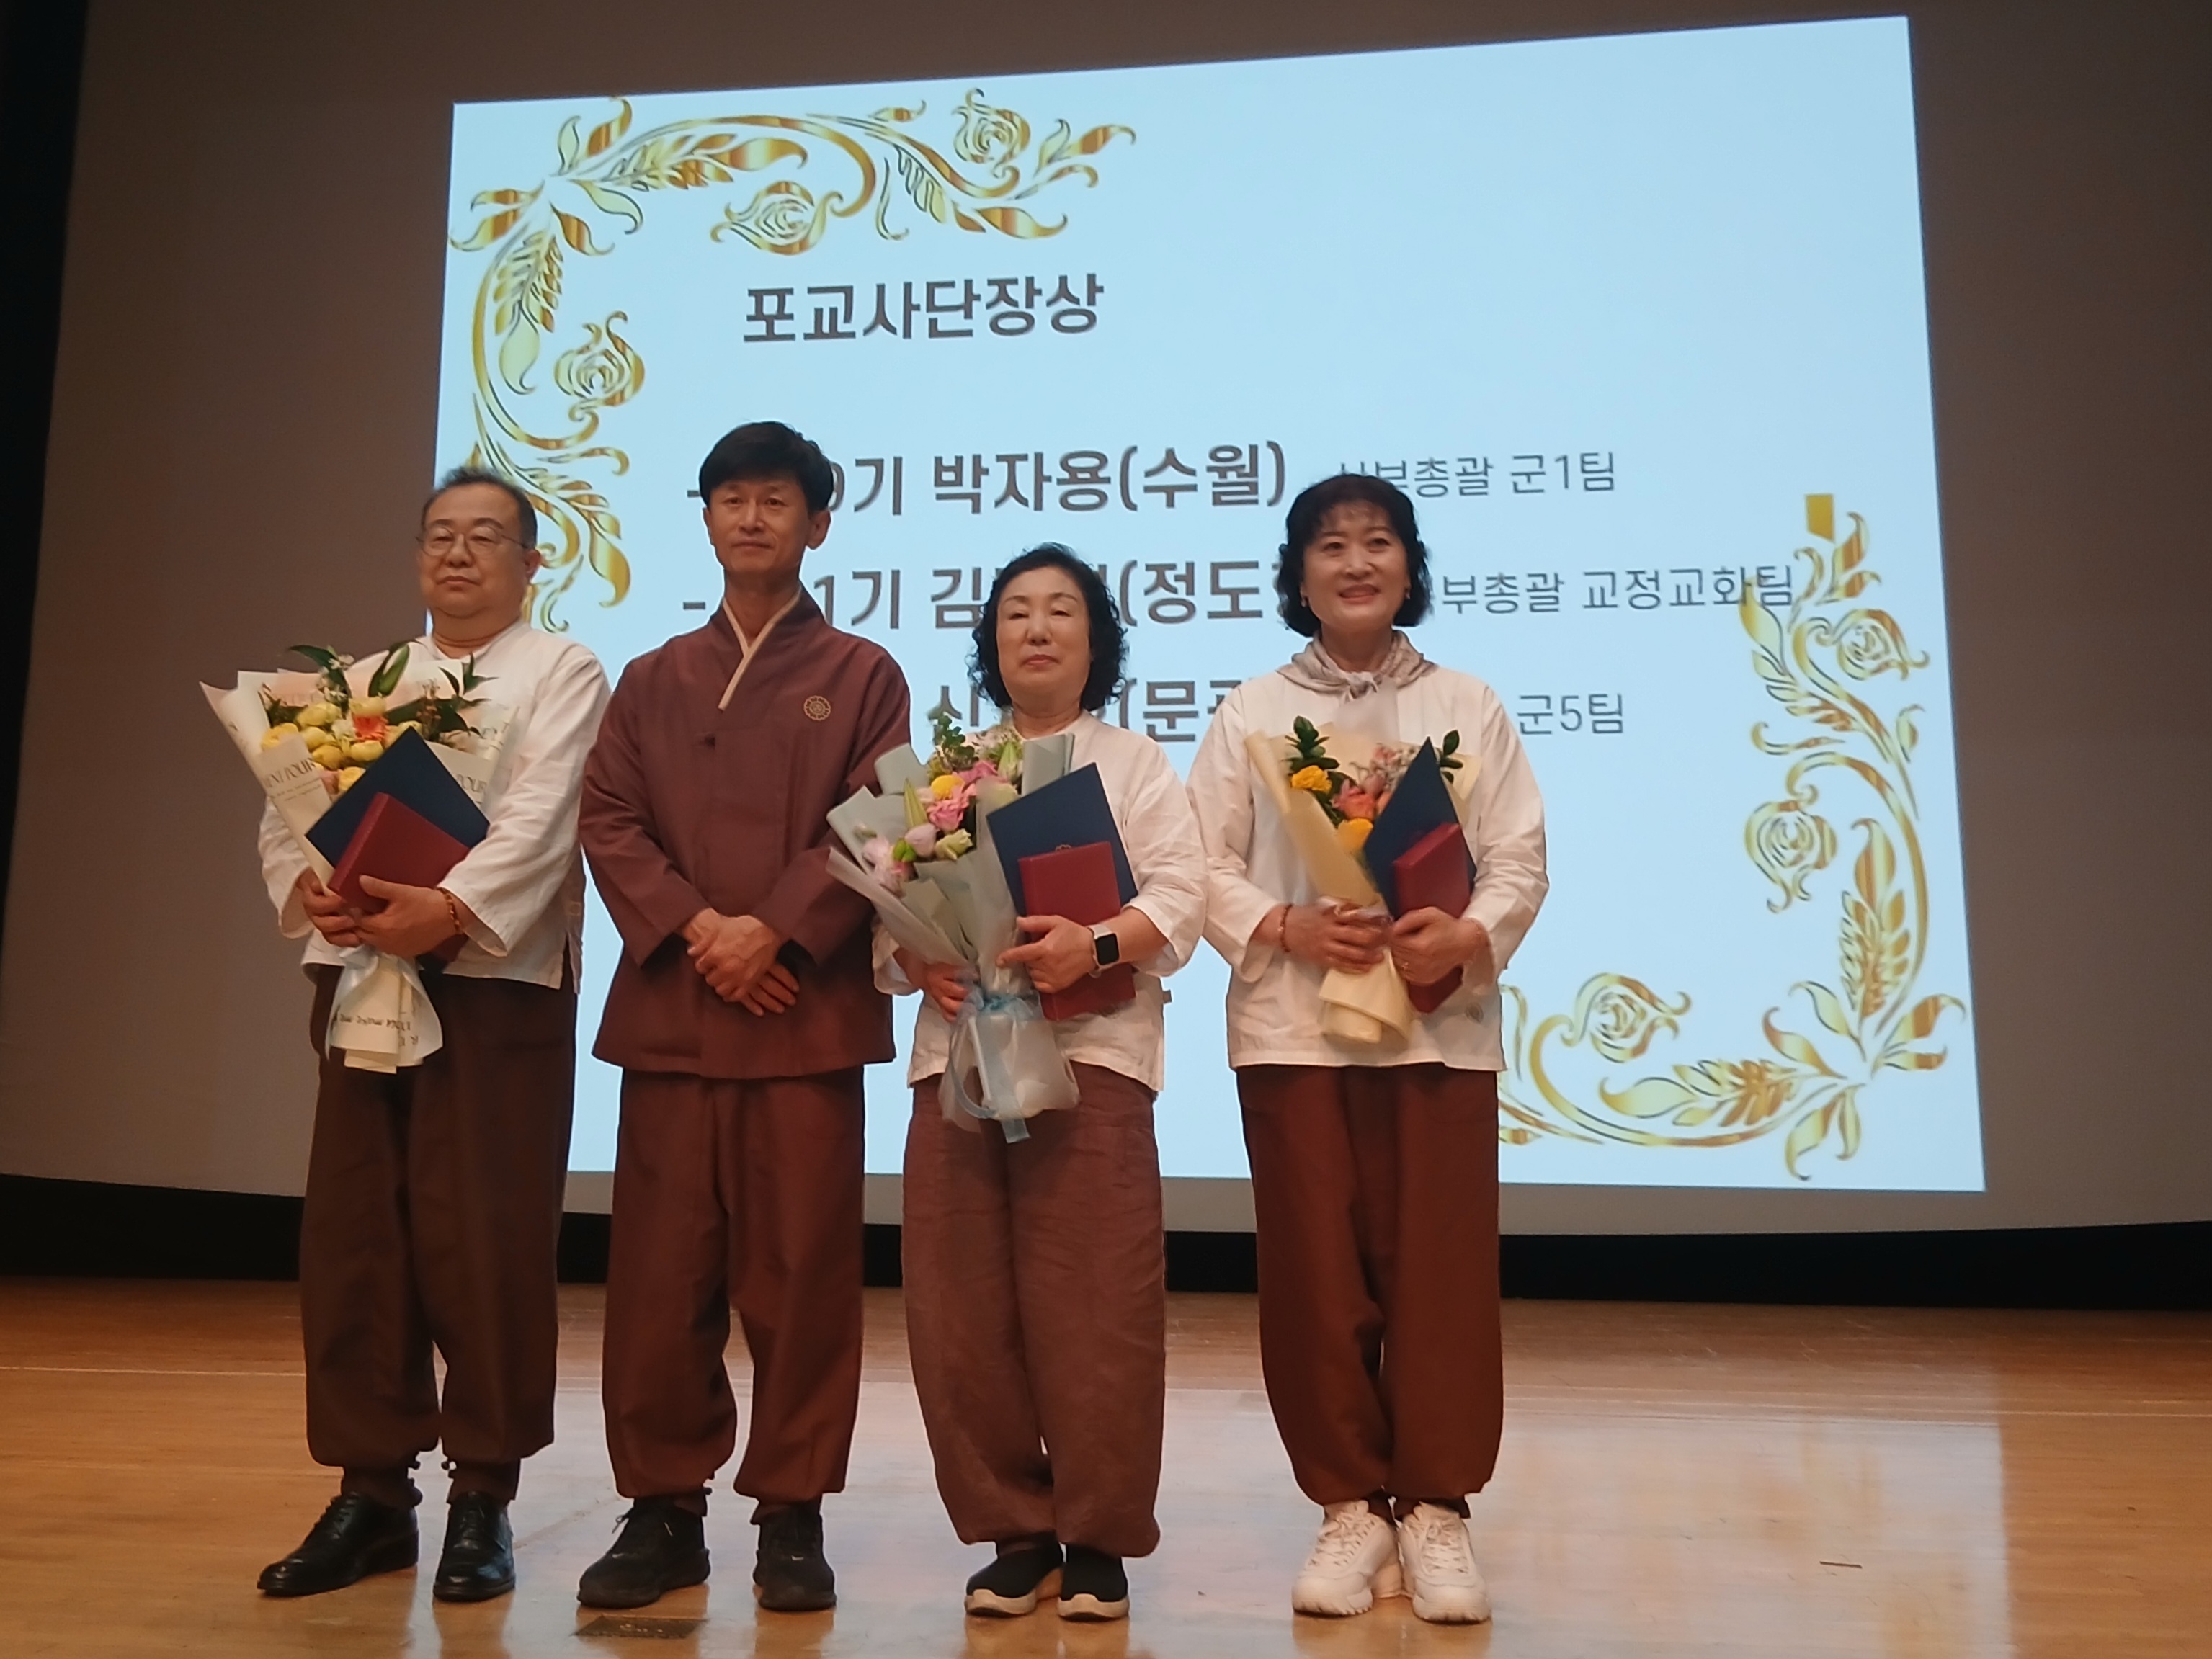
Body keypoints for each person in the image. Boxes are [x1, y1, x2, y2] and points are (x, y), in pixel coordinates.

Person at [1186, 473, 1548, 1624]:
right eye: (1330, 545)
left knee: (1441, 1275)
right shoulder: (1249, 712)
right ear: (1297, 576)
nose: (1355, 562)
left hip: (1437, 1027)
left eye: (1378, 542)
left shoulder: (1465, 703)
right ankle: (1348, 1505)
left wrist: (1471, 932)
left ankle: (1435, 1507)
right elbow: (1199, 864)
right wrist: (1282, 925)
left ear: (1409, 565)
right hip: (1294, 1029)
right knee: (1313, 1276)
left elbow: (1517, 856)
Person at [253, 466, 610, 1603]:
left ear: (531, 563)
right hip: (362, 974)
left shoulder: (563, 670)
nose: (458, 554)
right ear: (417, 555)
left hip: (494, 984)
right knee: (358, 1235)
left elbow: (545, 815)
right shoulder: (360, 683)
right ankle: (371, 1492)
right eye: (440, 536)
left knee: (485, 1237)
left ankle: (483, 1494)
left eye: (485, 537)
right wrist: (312, 888)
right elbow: (289, 808)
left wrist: (449, 909)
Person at [574, 421, 910, 1613]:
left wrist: (771, 928)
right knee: (658, 1277)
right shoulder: (653, 676)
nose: (751, 517)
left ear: (818, 524)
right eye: (730, 498)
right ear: (707, 518)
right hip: (676, 1015)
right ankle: (662, 1509)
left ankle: (791, 1511)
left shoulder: (862, 673)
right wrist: (697, 930)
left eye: (775, 500)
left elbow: (880, 814)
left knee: (801, 1274)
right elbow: (609, 817)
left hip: (799, 1018)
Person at [886, 545, 1206, 1624]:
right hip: (960, 1062)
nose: (1036, 628)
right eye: (1016, 611)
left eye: (1061, 611)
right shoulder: (949, 771)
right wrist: (913, 956)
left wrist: (1096, 944)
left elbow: (1183, 897)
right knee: (959, 1305)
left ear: (1095, 641)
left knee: (1096, 1303)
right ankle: (1014, 1534)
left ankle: (1098, 1539)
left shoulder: (1134, 763)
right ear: (991, 640)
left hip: (1091, 1056)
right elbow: (890, 912)